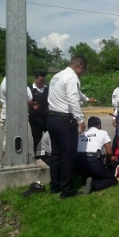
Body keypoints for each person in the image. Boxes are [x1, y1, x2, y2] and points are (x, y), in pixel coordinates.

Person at [47, 55, 87, 199]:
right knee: (68, 155)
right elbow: (72, 99)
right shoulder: (72, 77)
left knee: (56, 154)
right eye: (84, 70)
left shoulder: (57, 76)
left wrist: (86, 99)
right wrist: (80, 119)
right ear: (81, 67)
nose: (83, 73)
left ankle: (54, 185)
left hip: (52, 117)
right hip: (64, 120)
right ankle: (67, 189)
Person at [75, 116, 118, 194]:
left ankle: (86, 179)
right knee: (112, 179)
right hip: (93, 163)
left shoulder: (81, 135)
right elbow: (109, 152)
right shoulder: (103, 133)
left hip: (79, 165)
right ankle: (94, 185)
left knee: (90, 173)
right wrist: (109, 162)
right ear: (99, 126)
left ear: (89, 126)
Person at [0, 76, 34, 163]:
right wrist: (29, 102)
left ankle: (17, 159)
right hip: (11, 116)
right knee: (9, 141)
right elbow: (24, 99)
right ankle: (4, 160)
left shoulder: (10, 81)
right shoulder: (10, 83)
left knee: (16, 140)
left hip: (14, 116)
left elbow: (28, 97)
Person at [28, 71, 49, 156]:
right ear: (35, 79)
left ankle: (48, 155)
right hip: (35, 119)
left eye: (44, 80)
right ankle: (38, 157)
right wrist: (31, 104)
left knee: (50, 138)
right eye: (40, 80)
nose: (42, 82)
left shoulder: (48, 88)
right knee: (37, 139)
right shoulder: (29, 89)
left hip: (47, 118)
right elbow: (25, 100)